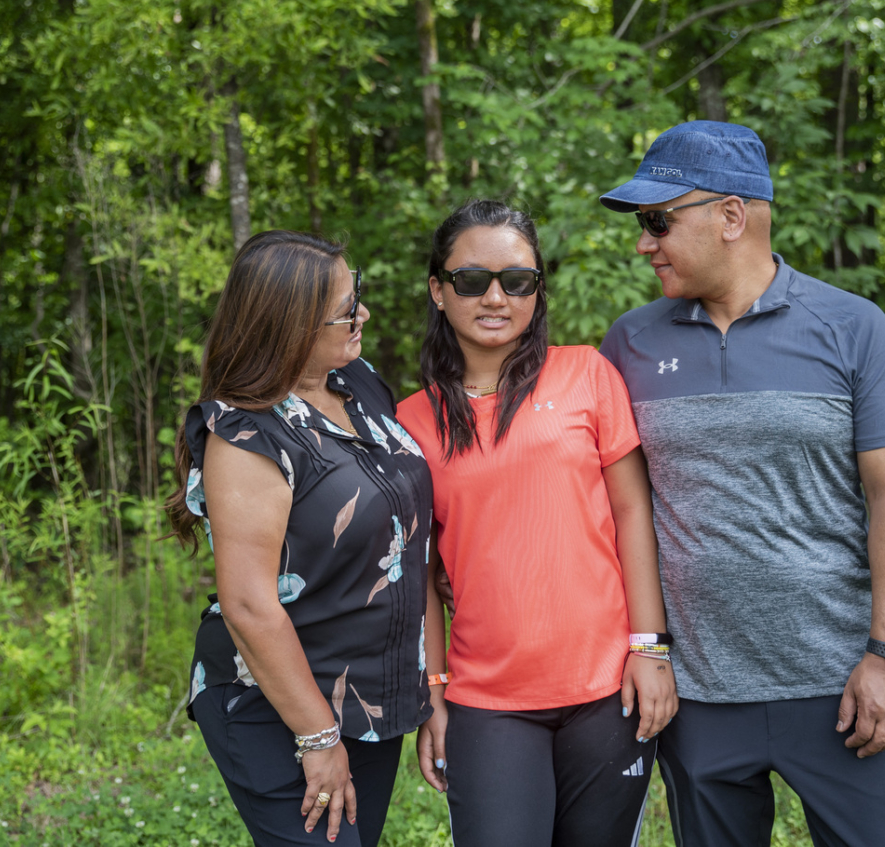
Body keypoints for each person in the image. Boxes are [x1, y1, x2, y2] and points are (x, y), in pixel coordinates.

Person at [596, 121, 885, 847]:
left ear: (731, 216)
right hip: (700, 694)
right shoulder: (629, 343)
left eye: (657, 221)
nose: (642, 243)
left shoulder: (854, 328)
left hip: (840, 688)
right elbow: (608, 504)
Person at [396, 199, 678, 847]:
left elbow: (634, 512)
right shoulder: (410, 421)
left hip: (608, 690)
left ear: (537, 289)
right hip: (486, 699)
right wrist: (432, 691)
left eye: (517, 280)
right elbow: (417, 573)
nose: (495, 296)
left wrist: (650, 646)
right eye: (471, 280)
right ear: (438, 290)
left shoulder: (586, 373)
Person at [166, 230, 433, 847]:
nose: (362, 313)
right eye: (346, 308)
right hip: (279, 704)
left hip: (366, 697)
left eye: (356, 294)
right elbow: (250, 604)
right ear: (290, 326)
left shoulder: (358, 383)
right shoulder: (246, 434)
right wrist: (318, 738)